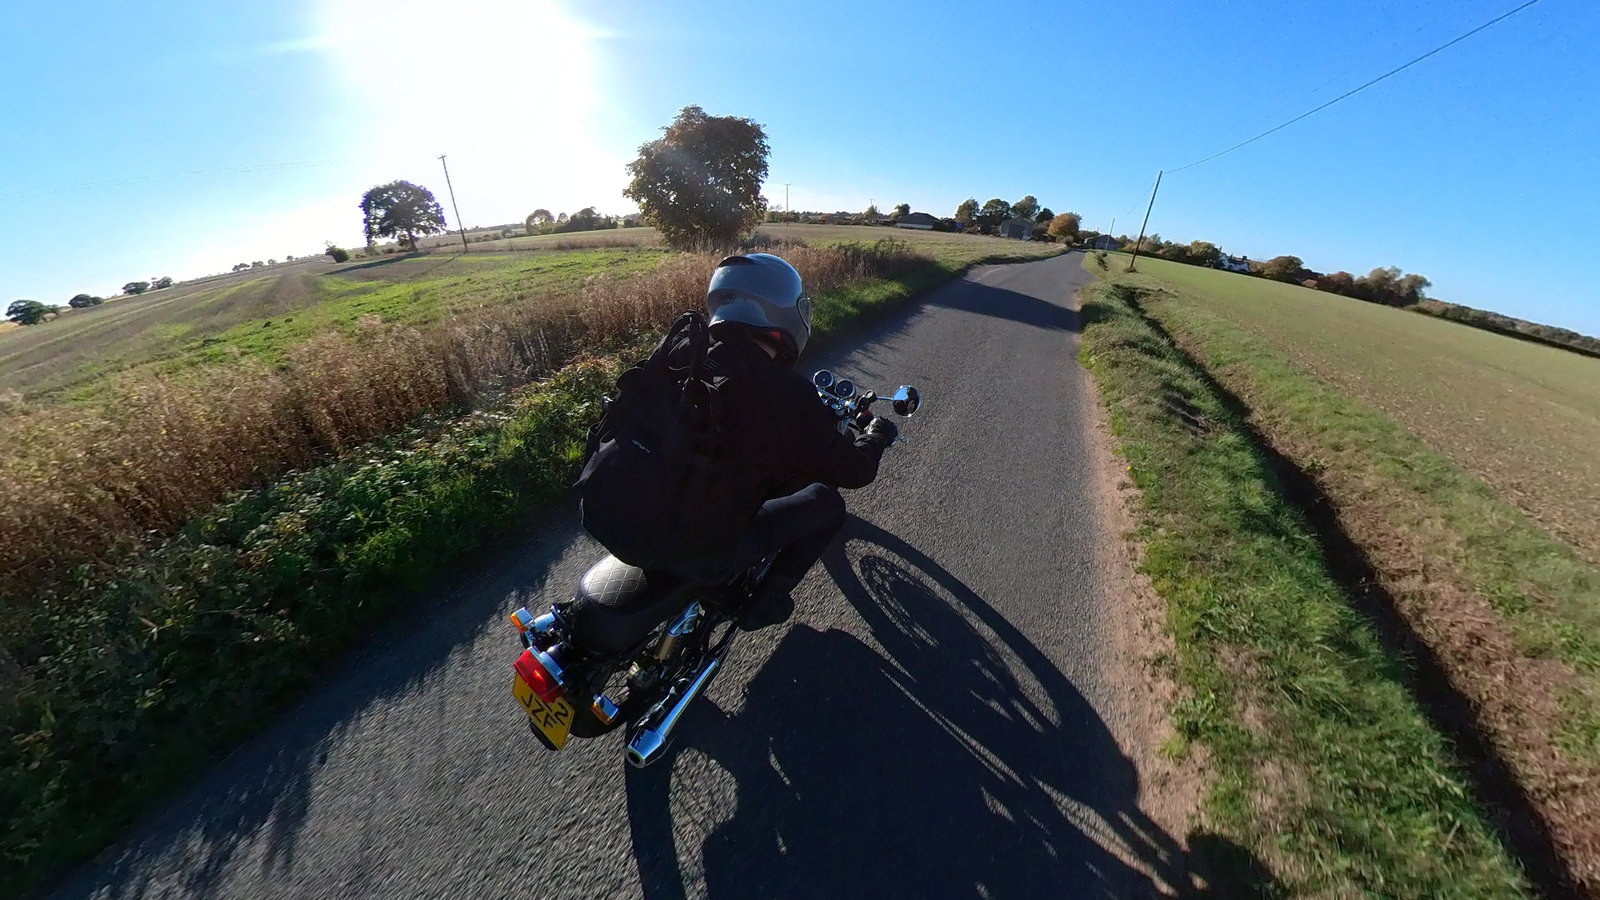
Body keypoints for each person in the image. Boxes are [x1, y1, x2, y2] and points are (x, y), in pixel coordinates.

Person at [649, 252, 898, 630]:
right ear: (783, 312)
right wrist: (876, 435)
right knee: (827, 504)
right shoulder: (781, 392)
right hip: (698, 541)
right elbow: (855, 471)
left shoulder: (679, 353)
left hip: (627, 506)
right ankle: (761, 606)